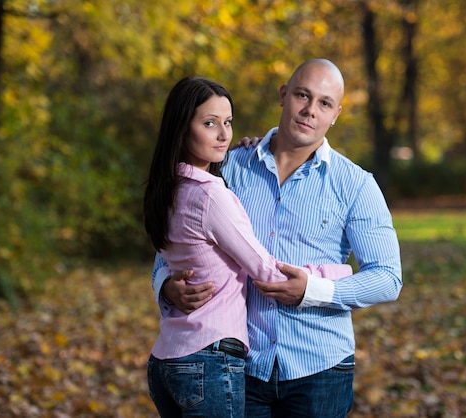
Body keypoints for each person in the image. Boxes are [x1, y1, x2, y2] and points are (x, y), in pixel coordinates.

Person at [152, 59, 402, 417]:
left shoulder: (356, 185)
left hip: (320, 369)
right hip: (239, 369)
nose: (310, 110)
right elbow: (173, 246)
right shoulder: (229, 166)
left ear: (336, 115)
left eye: (325, 103)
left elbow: (388, 278)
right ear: (284, 95)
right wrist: (167, 288)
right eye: (302, 95)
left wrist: (314, 290)